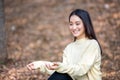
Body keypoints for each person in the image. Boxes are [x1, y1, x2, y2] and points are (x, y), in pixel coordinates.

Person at [27, 9, 102, 80]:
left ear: (86, 24)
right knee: (60, 75)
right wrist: (40, 65)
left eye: (77, 24)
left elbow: (81, 70)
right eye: (71, 24)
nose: (74, 27)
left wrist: (61, 67)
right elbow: (62, 71)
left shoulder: (92, 44)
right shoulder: (69, 48)